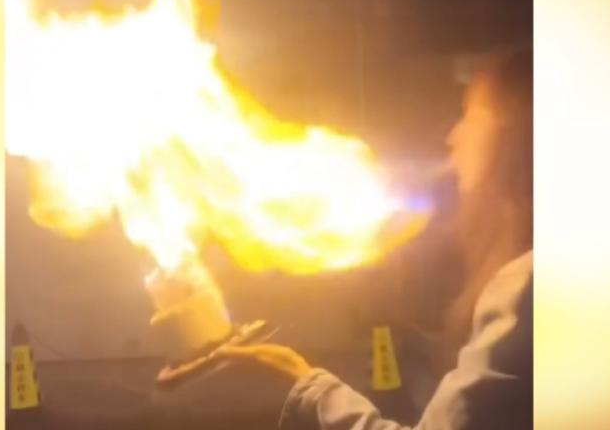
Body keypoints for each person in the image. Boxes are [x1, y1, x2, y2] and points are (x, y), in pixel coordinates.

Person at [214, 49, 533, 430]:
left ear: (517, 134)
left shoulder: (526, 288)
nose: (454, 136)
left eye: (472, 116)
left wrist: (303, 388)